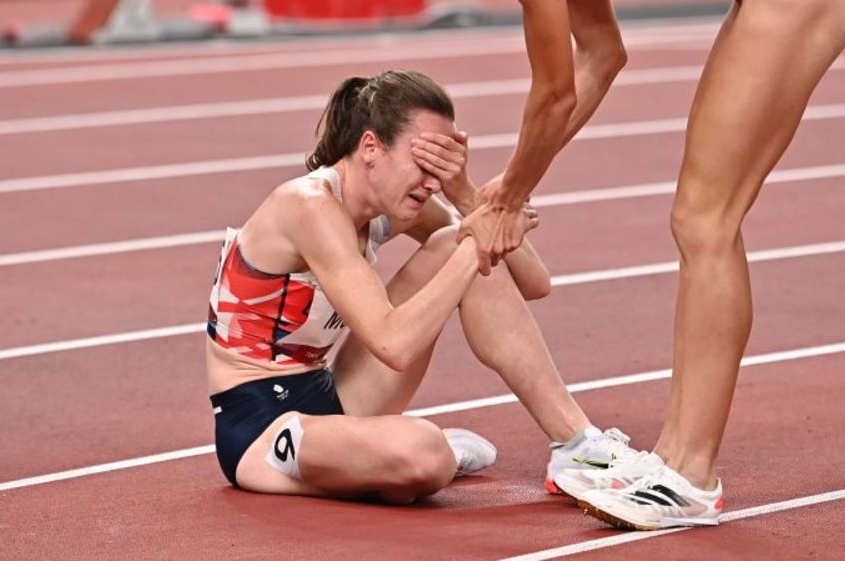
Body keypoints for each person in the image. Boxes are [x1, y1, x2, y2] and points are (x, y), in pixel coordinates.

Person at [347, 0, 845, 528]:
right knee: (702, 221)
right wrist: (510, 187)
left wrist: (505, 199)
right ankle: (680, 460)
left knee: (704, 221)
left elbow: (554, 91)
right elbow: (601, 56)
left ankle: (691, 472)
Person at [207, 69, 634, 504]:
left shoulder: (392, 203)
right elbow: (394, 345)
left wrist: (466, 195)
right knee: (425, 453)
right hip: (261, 427)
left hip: (330, 394)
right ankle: (395, 461)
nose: (433, 181)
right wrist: (477, 243)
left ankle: (578, 445)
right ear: (370, 147)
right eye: (425, 162)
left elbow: (534, 282)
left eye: (443, 165)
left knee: (455, 241)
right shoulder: (310, 206)